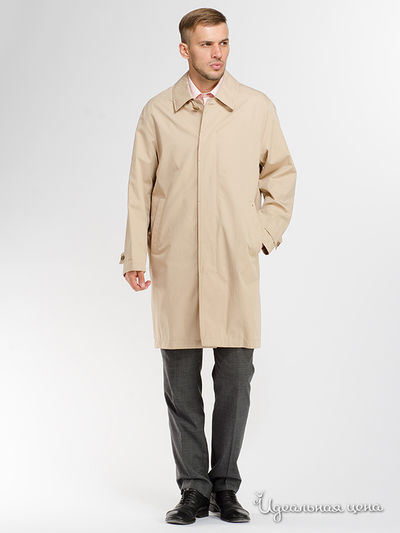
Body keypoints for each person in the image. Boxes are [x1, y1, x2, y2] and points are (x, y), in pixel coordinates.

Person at [119, 7, 297, 525]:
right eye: (205, 44)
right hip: (175, 264)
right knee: (181, 383)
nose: (217, 53)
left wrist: (260, 234)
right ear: (185, 50)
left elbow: (281, 175)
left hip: (233, 263)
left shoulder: (255, 108)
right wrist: (135, 254)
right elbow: (140, 188)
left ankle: (225, 486)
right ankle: (193, 489)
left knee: (236, 378)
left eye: (223, 43)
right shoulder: (158, 112)